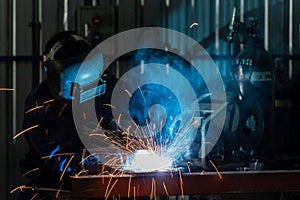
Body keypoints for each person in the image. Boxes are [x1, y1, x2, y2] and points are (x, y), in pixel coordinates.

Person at [18, 31, 117, 199]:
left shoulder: (108, 87)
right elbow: (58, 158)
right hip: (55, 190)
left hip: (104, 188)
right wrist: (90, 163)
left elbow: (133, 111)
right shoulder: (40, 105)